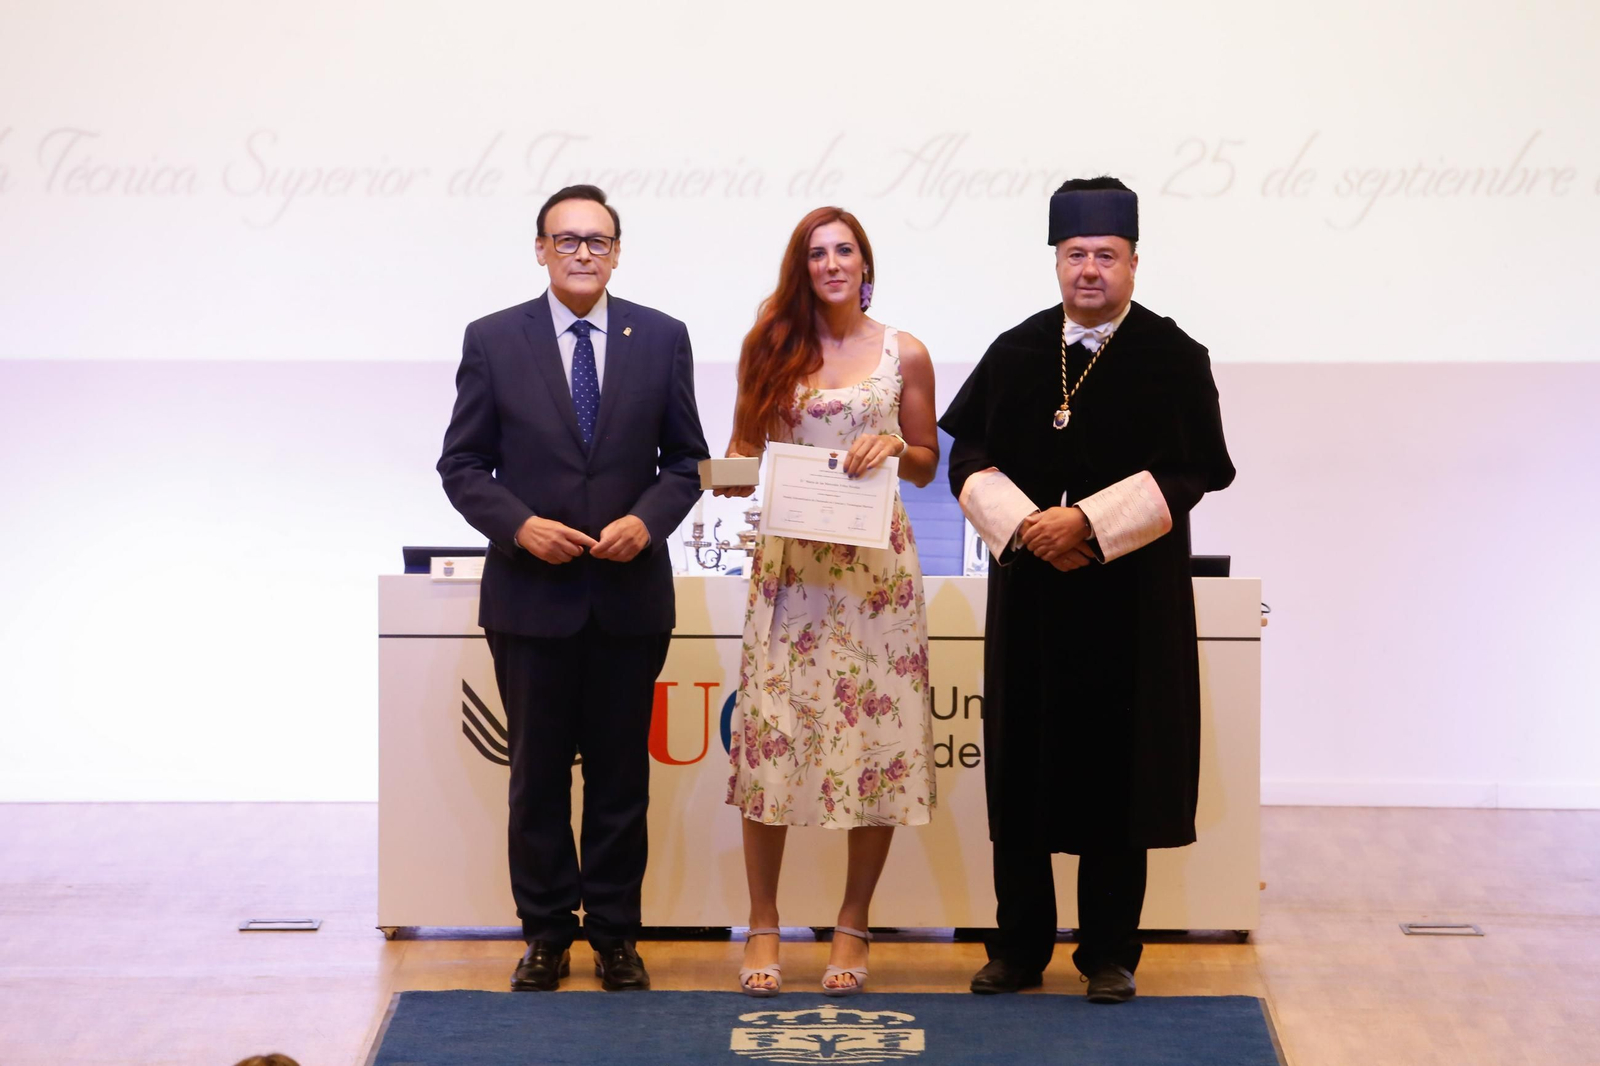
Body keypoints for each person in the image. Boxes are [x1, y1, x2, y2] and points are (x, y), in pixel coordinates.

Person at [939, 177, 1235, 1003]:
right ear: (1056, 260)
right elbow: (966, 458)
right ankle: (1018, 946)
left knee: (1121, 771)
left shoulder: (1173, 357)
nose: (1091, 271)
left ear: (1135, 261)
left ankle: (1110, 953)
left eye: (1107, 255)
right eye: (1077, 255)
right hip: (1033, 599)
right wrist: (1033, 526)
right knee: (1023, 770)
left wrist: (1092, 528)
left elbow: (1195, 470)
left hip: (1131, 602)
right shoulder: (1018, 351)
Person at [438, 184, 708, 992]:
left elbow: (686, 461)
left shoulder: (661, 337)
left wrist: (647, 521)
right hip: (530, 597)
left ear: (617, 252)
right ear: (541, 249)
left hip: (628, 596)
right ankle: (548, 932)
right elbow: (461, 465)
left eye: (597, 241)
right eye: (567, 240)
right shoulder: (492, 339)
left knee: (623, 778)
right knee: (537, 779)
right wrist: (519, 525)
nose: (582, 253)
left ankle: (617, 935)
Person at [716, 207, 940, 997]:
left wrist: (893, 447)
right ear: (801, 266)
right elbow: (741, 452)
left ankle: (853, 923)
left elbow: (924, 462)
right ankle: (765, 923)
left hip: (876, 576)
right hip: (791, 573)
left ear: (865, 263)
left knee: (878, 740)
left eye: (846, 250)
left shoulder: (904, 351)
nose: (833, 263)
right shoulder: (768, 345)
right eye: (818, 252)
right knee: (771, 742)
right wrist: (767, 468)